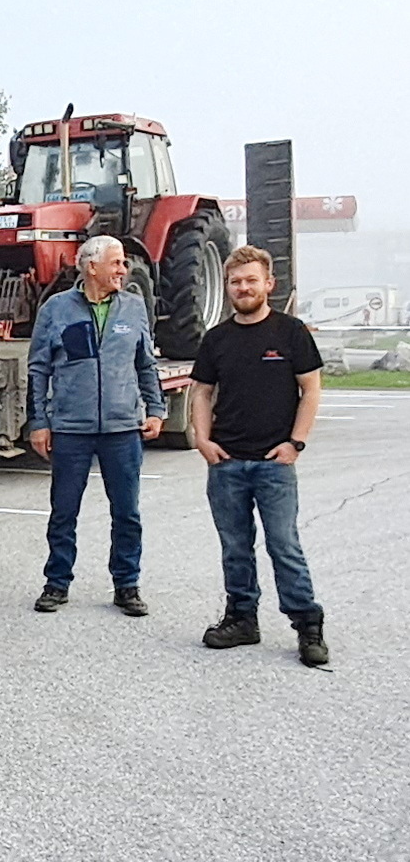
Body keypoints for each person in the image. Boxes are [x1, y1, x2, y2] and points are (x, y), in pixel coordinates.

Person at [190, 246, 329, 666]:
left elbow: (311, 390)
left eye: (251, 280)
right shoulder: (216, 339)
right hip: (226, 464)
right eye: (236, 282)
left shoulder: (291, 333)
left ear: (269, 284)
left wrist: (295, 443)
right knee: (235, 547)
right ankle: (242, 619)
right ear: (228, 287)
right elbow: (201, 392)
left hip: (274, 465)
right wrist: (203, 440)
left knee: (284, 545)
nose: (243, 288)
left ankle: (308, 626)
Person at [27, 235, 165, 615]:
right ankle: (57, 583)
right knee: (63, 511)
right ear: (91, 266)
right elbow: (38, 368)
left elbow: (145, 364)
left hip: (122, 429)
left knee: (127, 513)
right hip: (71, 428)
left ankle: (127, 585)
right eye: (117, 263)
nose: (124, 270)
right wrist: (38, 421)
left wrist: (156, 409)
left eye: (123, 263)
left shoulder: (133, 307)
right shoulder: (56, 309)